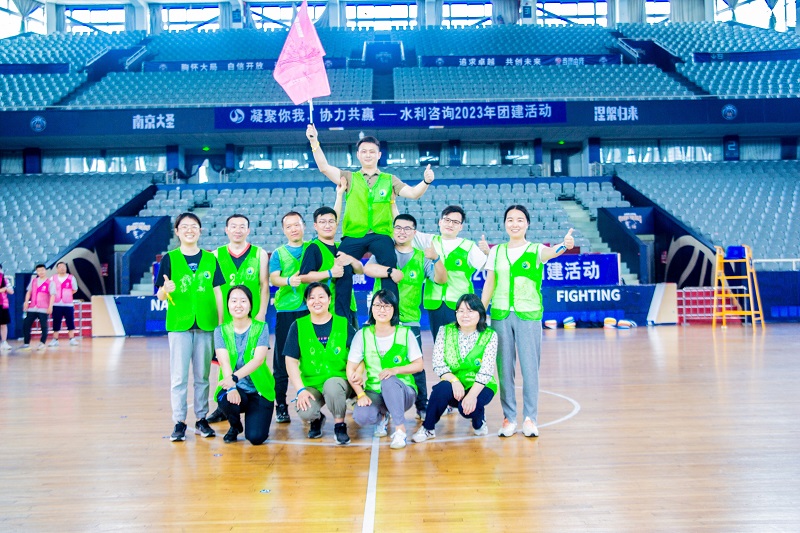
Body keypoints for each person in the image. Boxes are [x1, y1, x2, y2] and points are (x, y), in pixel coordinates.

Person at [306, 124, 434, 326]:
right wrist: (314, 141)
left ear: (379, 155)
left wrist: (425, 182)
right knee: (341, 267)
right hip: (353, 235)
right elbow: (324, 167)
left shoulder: (389, 180)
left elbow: (413, 193)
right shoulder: (349, 177)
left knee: (389, 265)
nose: (368, 155)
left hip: (380, 234)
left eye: (372, 152)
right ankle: (342, 320)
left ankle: (391, 317)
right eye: (364, 151)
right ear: (358, 155)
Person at [481, 205, 574, 438]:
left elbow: (552, 252)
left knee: (530, 368)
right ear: (505, 223)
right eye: (510, 219)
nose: (515, 224)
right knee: (504, 369)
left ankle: (530, 418)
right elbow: (489, 283)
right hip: (500, 314)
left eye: (520, 220)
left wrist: (564, 245)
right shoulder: (496, 251)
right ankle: (509, 418)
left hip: (528, 314)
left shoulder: (535, 249)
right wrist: (481, 311)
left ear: (527, 224)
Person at [363, 213, 447, 421]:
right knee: (379, 362)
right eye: (398, 227)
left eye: (407, 228)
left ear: (414, 232)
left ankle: (422, 405)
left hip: (410, 320)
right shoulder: (384, 252)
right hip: (382, 320)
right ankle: (383, 407)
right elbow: (368, 268)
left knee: (416, 364)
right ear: (393, 229)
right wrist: (389, 271)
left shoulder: (421, 257)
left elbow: (441, 279)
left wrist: (436, 258)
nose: (402, 232)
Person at [156, 212, 225, 442]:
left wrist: (221, 323)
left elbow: (217, 291)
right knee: (179, 377)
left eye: (194, 226)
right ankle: (179, 421)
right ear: (177, 231)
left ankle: (201, 419)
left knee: (203, 376)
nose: (189, 230)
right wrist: (166, 290)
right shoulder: (170, 258)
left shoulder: (210, 259)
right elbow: (160, 294)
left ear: (200, 230)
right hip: (179, 325)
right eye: (184, 226)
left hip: (206, 324)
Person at [207, 213, 268, 425]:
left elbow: (264, 285)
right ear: (226, 229)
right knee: (223, 362)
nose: (238, 230)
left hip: (251, 320)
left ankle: (255, 396)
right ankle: (222, 406)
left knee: (253, 359)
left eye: (242, 226)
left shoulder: (259, 253)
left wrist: (261, 314)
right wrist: (220, 320)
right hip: (227, 319)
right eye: (233, 226)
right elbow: (216, 290)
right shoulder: (216, 255)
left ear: (248, 230)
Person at [412, 294, 498, 443]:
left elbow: (486, 371)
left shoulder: (490, 335)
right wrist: (454, 381)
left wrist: (471, 396)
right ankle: (428, 428)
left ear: (480, 313)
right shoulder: (445, 331)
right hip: (454, 383)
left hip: (480, 385)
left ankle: (479, 422)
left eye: (470, 311)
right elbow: (438, 363)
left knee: (468, 408)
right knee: (440, 390)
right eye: (461, 311)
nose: (465, 315)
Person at [346, 290, 424, 450]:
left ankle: (400, 430)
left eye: (387, 306)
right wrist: (360, 394)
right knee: (361, 416)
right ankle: (382, 416)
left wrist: (396, 370)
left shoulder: (405, 333)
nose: (382, 310)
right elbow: (350, 368)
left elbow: (419, 365)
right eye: (378, 306)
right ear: (371, 309)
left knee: (388, 381)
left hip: (403, 391)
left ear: (394, 309)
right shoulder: (362, 335)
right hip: (375, 391)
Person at [283, 282, 357, 444]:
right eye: (311, 298)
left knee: (332, 386)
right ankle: (316, 419)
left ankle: (339, 425)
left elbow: (358, 353)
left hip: (340, 381)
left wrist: (357, 377)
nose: (316, 301)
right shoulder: (298, 326)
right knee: (305, 410)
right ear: (306, 302)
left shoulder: (342, 323)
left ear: (329, 299)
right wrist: (300, 390)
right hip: (312, 384)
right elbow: (290, 361)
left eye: (321, 297)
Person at [414, 205, 490, 341]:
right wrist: (392, 202)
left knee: (460, 344)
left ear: (461, 227)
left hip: (461, 305)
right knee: (439, 344)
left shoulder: (468, 246)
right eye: (447, 220)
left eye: (455, 222)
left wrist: (488, 253)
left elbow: (489, 266)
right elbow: (404, 227)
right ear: (440, 222)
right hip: (434, 303)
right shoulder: (429, 241)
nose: (450, 224)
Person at [214, 285, 275, 445]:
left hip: (258, 390)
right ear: (228, 305)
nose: (238, 305)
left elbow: (258, 360)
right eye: (233, 301)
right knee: (225, 399)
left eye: (243, 301)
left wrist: (234, 378)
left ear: (250, 305)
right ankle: (235, 426)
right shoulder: (220, 330)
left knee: (256, 438)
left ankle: (256, 415)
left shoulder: (261, 327)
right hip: (236, 389)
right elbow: (224, 361)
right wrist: (231, 387)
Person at [267, 211, 310, 425]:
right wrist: (288, 280)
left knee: (310, 357)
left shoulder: (313, 248)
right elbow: (274, 278)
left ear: (304, 226)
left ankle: (311, 403)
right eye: (289, 226)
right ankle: (281, 405)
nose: (294, 229)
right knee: (282, 359)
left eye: (297, 224)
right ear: (284, 230)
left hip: (310, 309)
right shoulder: (278, 253)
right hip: (286, 311)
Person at [298, 206, 363, 327]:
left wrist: (351, 259)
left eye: (331, 221)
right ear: (315, 226)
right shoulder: (313, 248)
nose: (327, 225)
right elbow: (303, 277)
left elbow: (360, 270)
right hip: (329, 310)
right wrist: (330, 273)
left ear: (336, 224)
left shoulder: (342, 247)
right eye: (322, 222)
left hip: (349, 308)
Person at [20, 264, 55, 352]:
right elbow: (29, 292)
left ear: (45, 270)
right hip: (32, 307)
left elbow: (52, 295)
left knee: (44, 326)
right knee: (26, 324)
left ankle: (42, 343)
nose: (41, 272)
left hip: (43, 308)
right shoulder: (33, 281)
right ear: (36, 272)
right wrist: (26, 302)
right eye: (39, 270)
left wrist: (50, 306)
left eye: (42, 270)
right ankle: (26, 343)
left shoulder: (50, 282)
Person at [49, 261, 79, 347]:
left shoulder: (71, 278)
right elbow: (50, 290)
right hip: (56, 304)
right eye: (60, 267)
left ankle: (72, 339)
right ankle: (55, 339)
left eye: (64, 266)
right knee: (56, 321)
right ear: (57, 269)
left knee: (70, 321)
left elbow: (75, 289)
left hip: (68, 304)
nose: (62, 268)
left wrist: (67, 294)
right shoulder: (53, 278)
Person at [0, 264, 14, 352]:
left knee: (3, 324)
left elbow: (11, 291)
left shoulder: (4, 279)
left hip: (2, 304)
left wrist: (5, 288)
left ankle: (4, 342)